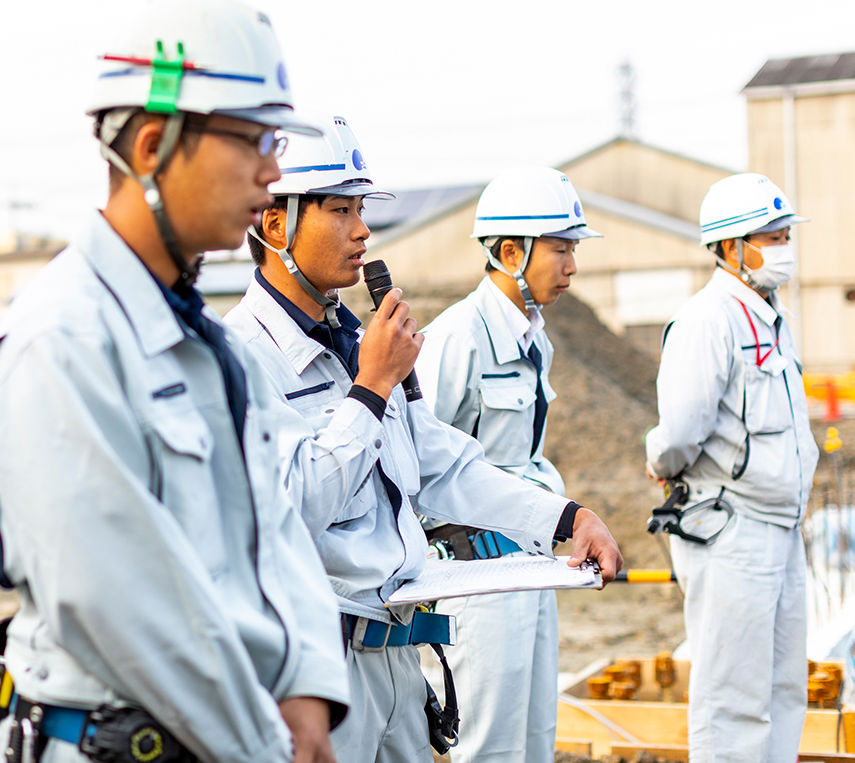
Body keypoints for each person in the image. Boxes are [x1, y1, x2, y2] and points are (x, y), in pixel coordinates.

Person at [0, 0, 349, 763]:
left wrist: (307, 691)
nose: (274, 173)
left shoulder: (215, 349)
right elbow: (125, 607)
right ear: (151, 144)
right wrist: (265, 743)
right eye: (254, 140)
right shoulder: (59, 344)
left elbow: (274, 532)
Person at [223, 115, 623, 763]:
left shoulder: (356, 340)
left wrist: (566, 515)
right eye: (340, 210)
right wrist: (373, 386)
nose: (362, 230)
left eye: (361, 209)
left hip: (400, 657)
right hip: (318, 672)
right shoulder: (238, 358)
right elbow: (294, 505)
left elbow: (441, 463)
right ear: (275, 225)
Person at [413, 166, 602, 763]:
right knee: (489, 746)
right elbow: (420, 462)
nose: (572, 265)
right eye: (562, 249)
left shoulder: (532, 336)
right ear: (511, 250)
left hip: (530, 565)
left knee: (534, 738)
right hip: (477, 580)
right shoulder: (457, 338)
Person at [645, 172, 816, 762]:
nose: (782, 245)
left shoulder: (774, 317)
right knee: (733, 698)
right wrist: (658, 460)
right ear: (728, 247)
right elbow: (680, 431)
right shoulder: (707, 320)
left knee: (783, 686)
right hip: (733, 529)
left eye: (784, 232)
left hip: (782, 528)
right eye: (769, 235)